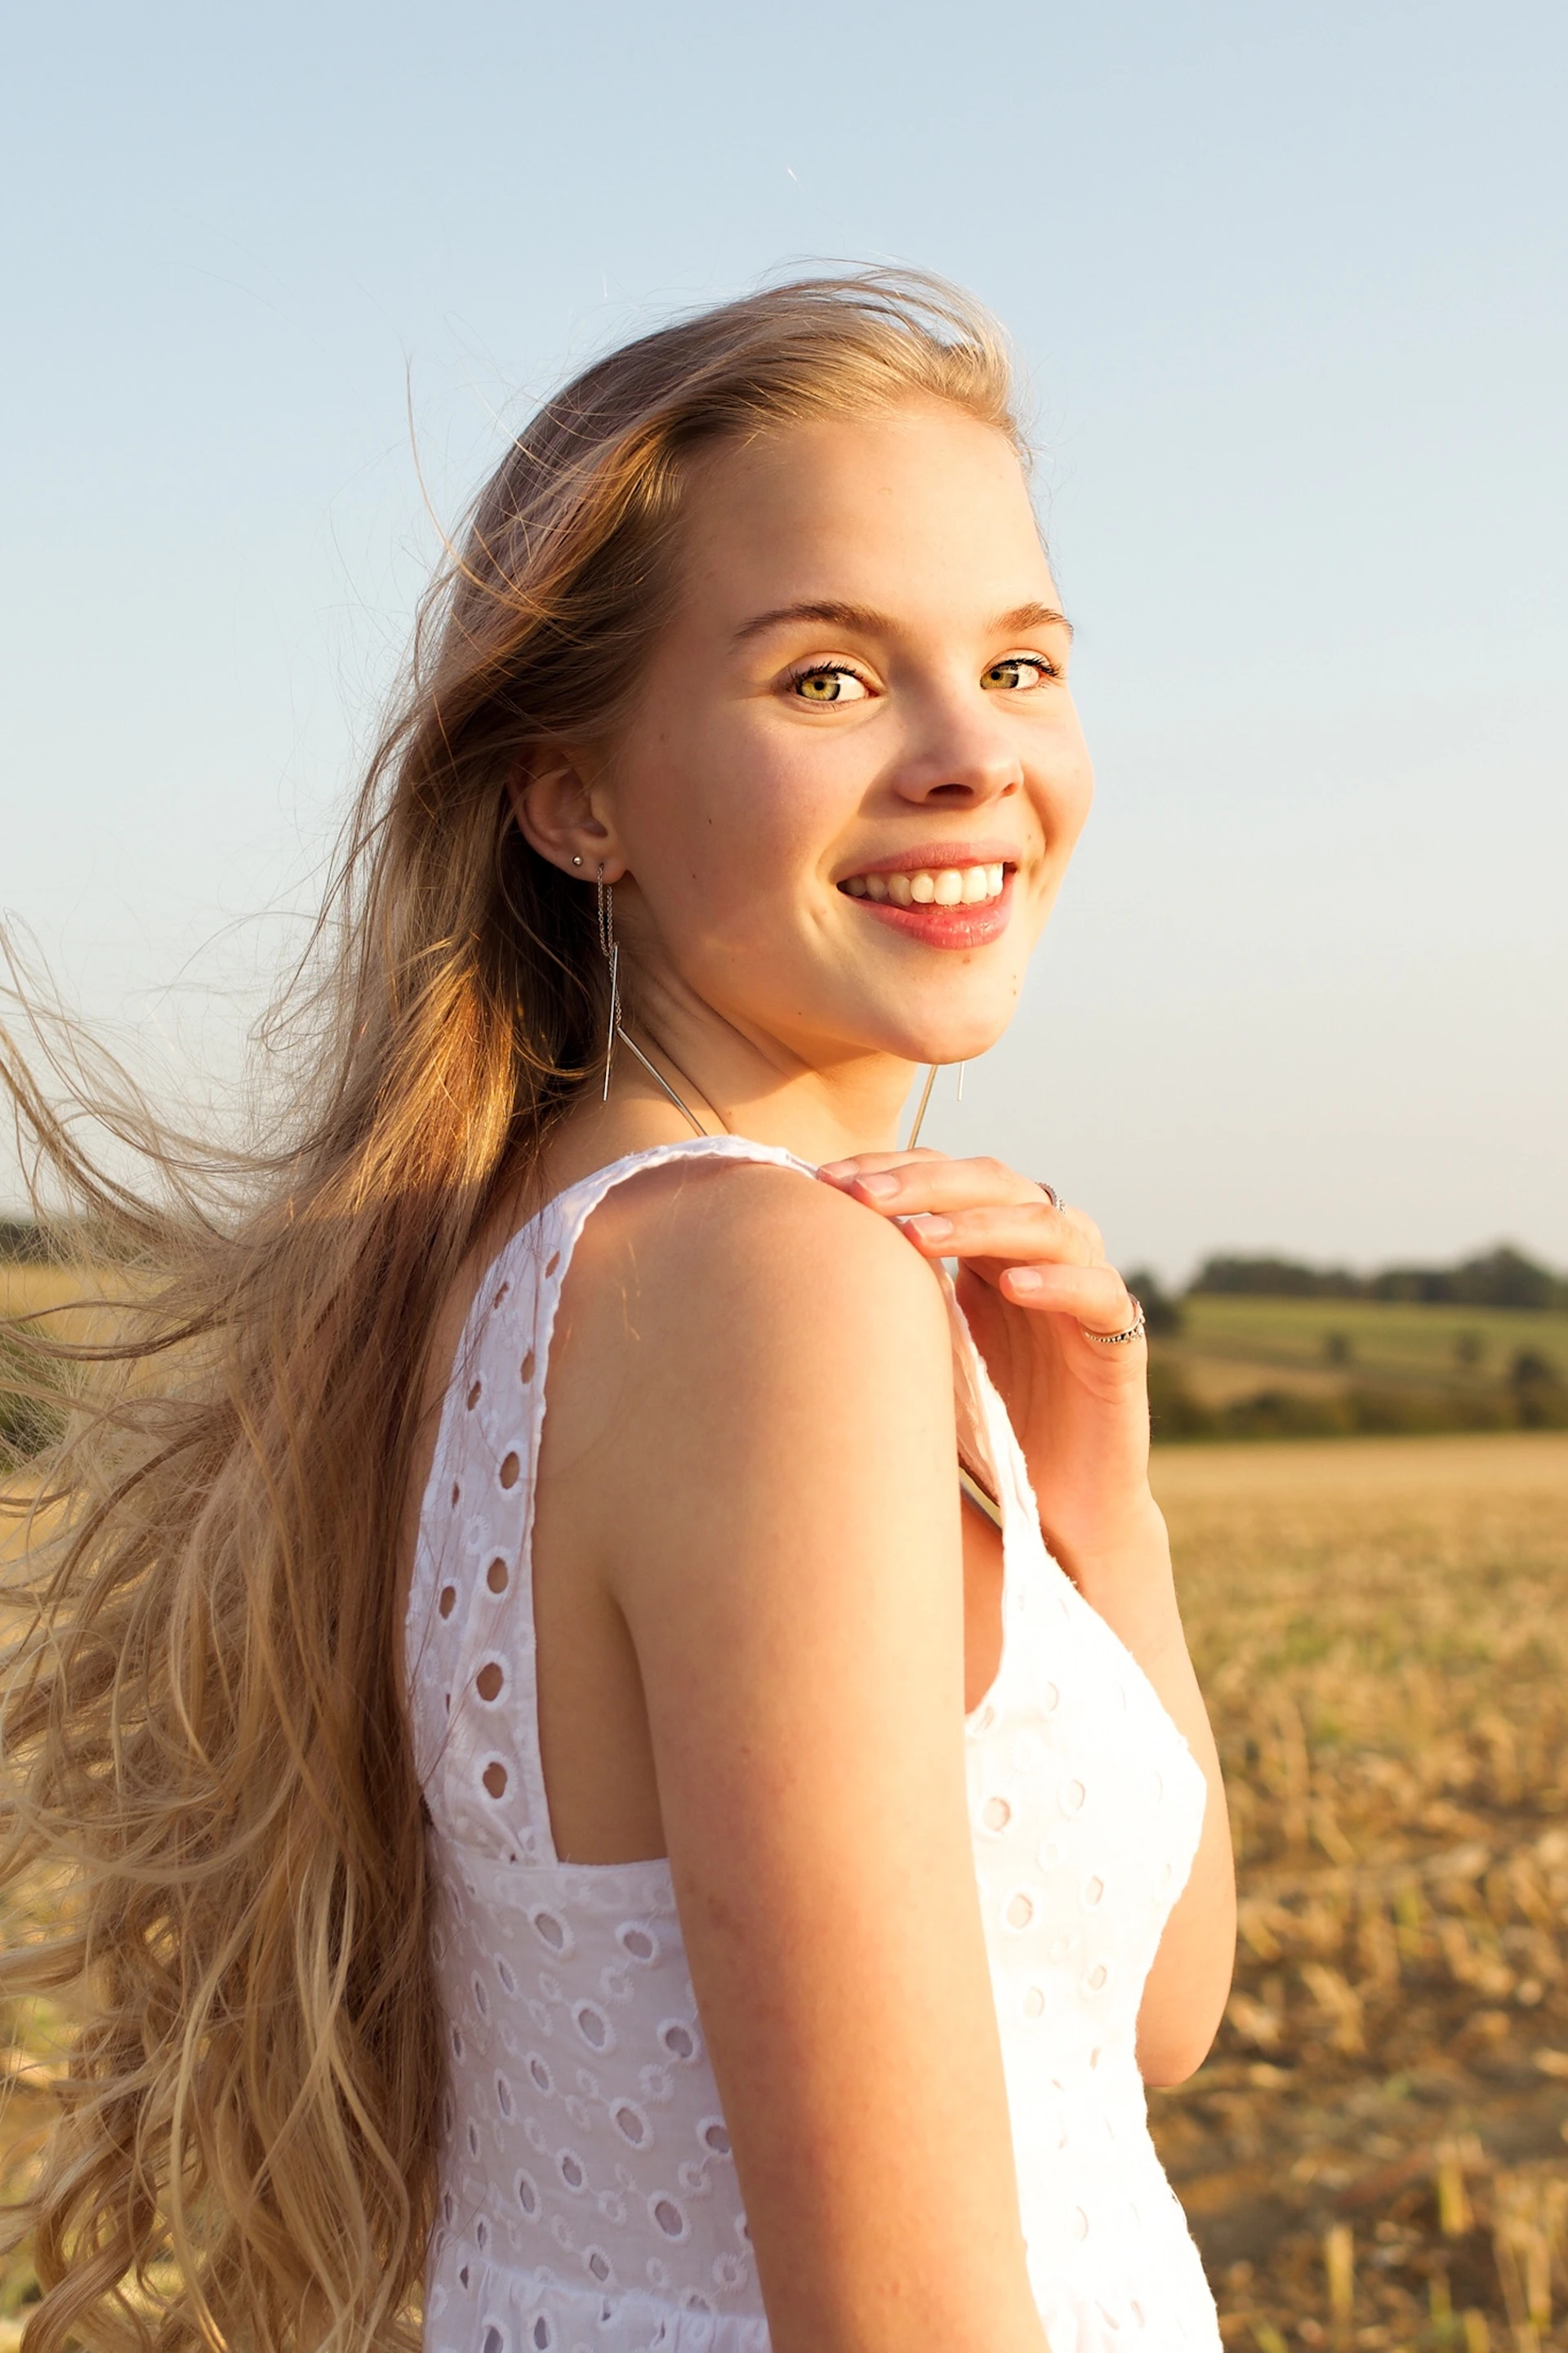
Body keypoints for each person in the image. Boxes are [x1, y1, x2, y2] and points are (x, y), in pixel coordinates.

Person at [1, 274, 1234, 2353]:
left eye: (1019, 662)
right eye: (830, 678)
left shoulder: (525, 1269)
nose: (973, 758)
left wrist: (1102, 1505)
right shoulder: (759, 1289)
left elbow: (1150, 2023)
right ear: (574, 799)